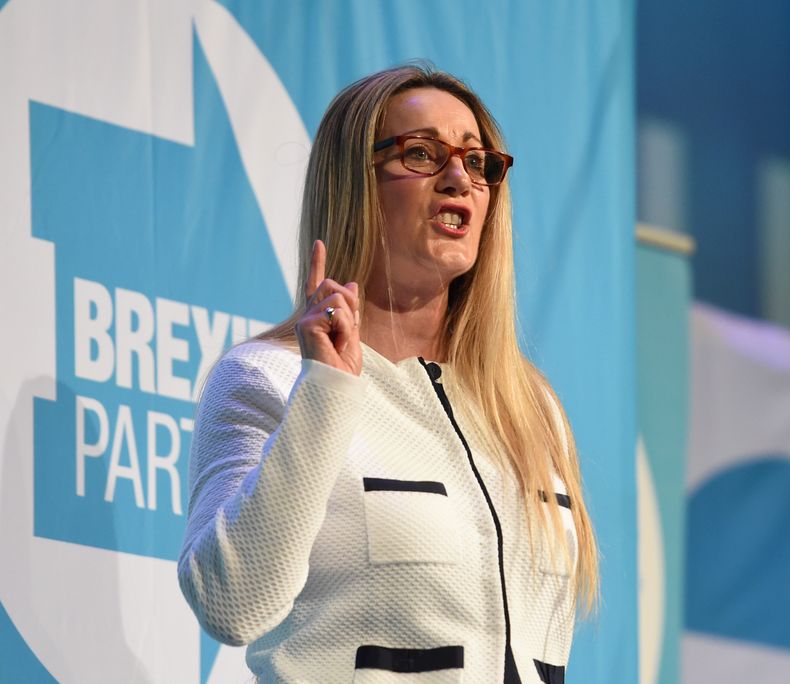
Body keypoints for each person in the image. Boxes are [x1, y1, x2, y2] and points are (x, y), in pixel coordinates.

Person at [178, 64, 598, 683]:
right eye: (423, 153)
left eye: (477, 162)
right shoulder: (267, 379)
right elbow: (231, 604)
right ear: (355, 186)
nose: (460, 178)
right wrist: (325, 395)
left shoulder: (529, 406)